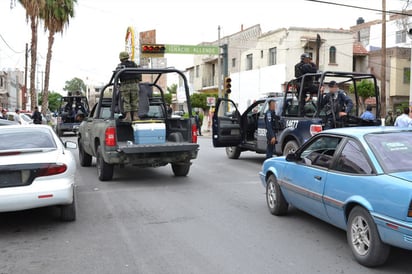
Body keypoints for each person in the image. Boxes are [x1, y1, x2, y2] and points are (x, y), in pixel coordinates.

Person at [116, 51, 141, 122]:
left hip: (125, 85)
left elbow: (116, 77)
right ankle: (135, 116)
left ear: (120, 58)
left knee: (126, 101)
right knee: (135, 101)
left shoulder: (120, 66)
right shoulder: (134, 64)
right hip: (134, 85)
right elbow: (139, 75)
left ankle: (128, 116)